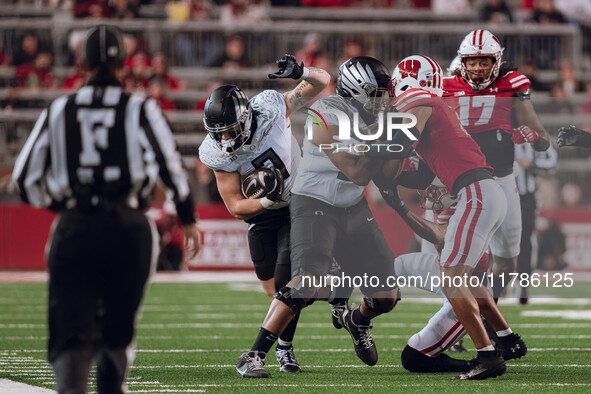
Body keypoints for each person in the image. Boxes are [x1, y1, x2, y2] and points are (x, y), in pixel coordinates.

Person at [11, 25, 201, 394]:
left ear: (82, 62)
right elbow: (171, 169)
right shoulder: (140, 107)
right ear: (123, 64)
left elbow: (24, 178)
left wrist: (63, 205)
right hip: (128, 226)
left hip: (76, 225)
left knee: (70, 333)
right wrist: (189, 217)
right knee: (117, 332)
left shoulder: (60, 108)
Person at [351, 54, 524, 380]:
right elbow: (410, 174)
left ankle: (488, 356)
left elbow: (399, 149)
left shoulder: (415, 98)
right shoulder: (434, 110)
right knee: (462, 280)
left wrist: (369, 148)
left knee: (452, 278)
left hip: (475, 191)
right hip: (481, 192)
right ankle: (506, 339)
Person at [235, 56, 402, 378]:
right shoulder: (325, 114)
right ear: (357, 90)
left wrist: (397, 148)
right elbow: (356, 172)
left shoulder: (382, 117)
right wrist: (392, 143)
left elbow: (389, 177)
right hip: (314, 202)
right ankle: (254, 354)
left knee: (386, 295)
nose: (384, 99)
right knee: (306, 283)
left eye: (386, 92)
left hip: (353, 206)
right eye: (377, 93)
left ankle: (358, 319)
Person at [199, 54, 330, 375]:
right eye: (220, 133)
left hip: (301, 203)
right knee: (273, 290)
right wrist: (268, 202)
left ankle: (279, 350)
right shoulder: (215, 151)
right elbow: (234, 206)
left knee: (289, 281)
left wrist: (302, 72)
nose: (225, 139)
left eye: (230, 130)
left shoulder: (271, 109)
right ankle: (320, 298)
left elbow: (321, 82)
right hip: (263, 215)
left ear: (245, 118)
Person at [443, 29, 550, 299]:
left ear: (496, 62)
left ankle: (488, 314)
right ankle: (461, 322)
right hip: (461, 181)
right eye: (472, 62)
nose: (478, 68)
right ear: (462, 63)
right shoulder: (446, 86)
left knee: (506, 261)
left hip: (502, 179)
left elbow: (543, 139)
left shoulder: (513, 84)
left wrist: (533, 136)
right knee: (462, 261)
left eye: (484, 62)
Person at [514, 142, 557, 304]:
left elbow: (552, 161)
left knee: (525, 242)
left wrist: (531, 164)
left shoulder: (532, 136)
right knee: (497, 240)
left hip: (526, 198)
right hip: (503, 193)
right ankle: (499, 283)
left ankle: (523, 287)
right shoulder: (500, 130)